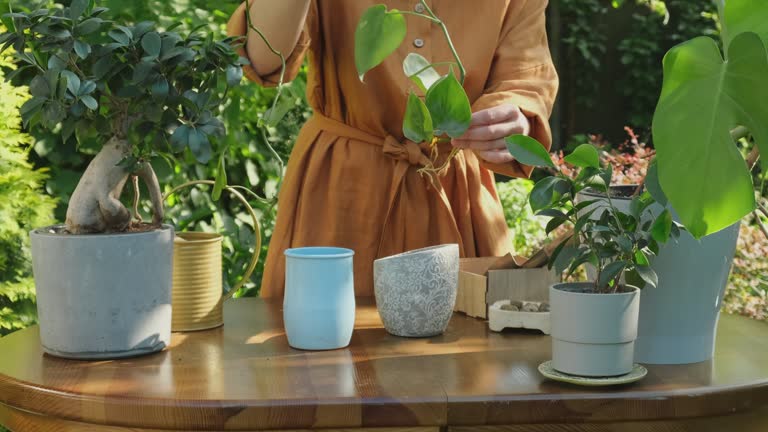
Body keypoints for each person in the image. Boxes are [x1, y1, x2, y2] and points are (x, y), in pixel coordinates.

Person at [227, 0, 558, 297]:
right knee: (319, 347)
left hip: (453, 192)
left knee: (465, 345)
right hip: (339, 194)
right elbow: (263, 58)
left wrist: (512, 119)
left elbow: (526, 77)